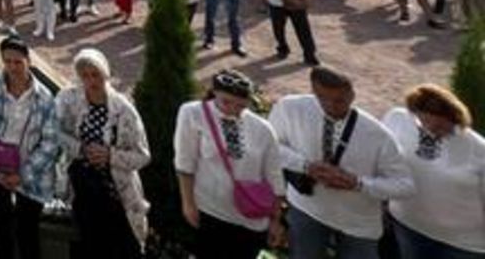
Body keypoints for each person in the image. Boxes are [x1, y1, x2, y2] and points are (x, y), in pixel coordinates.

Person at [273, 67, 412, 259]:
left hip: (359, 224)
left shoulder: (379, 135)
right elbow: (271, 148)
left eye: (340, 100)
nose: (331, 106)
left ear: (352, 95)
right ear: (313, 91)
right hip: (306, 210)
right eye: (322, 98)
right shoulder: (289, 108)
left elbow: (405, 186)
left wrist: (358, 183)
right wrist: (305, 165)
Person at [174, 70, 286, 259]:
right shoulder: (192, 112)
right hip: (211, 211)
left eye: (241, 105)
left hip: (252, 219)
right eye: (226, 102)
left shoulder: (262, 129)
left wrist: (275, 220)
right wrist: (188, 203)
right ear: (214, 93)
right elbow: (185, 163)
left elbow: (275, 177)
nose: (233, 109)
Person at [55, 48, 149, 259]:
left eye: (95, 74)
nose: (91, 81)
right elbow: (53, 131)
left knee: (122, 248)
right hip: (82, 189)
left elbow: (142, 155)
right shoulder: (68, 99)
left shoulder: (123, 109)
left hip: (116, 192)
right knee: (89, 245)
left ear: (105, 74)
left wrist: (111, 156)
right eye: (85, 75)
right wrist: (79, 148)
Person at [0, 36, 60, 259]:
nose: (12, 67)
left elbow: (50, 142)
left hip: (33, 172)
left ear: (28, 61)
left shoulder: (44, 98)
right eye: (7, 62)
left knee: (27, 231)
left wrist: (23, 174)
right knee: (1, 227)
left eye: (17, 62)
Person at [382, 84, 485, 259]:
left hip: (462, 245)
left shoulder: (478, 150)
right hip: (407, 226)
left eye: (440, 127)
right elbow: (383, 162)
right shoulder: (397, 119)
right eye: (425, 123)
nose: (431, 130)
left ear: (455, 119)